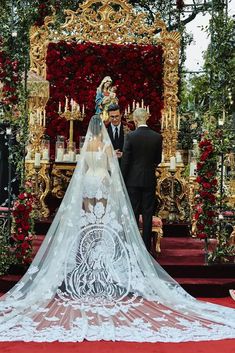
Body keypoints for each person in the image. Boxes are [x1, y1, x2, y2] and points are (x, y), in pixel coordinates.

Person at [0, 115, 235, 342]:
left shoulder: (88, 146)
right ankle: (104, 252)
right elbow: (114, 169)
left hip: (89, 180)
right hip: (103, 180)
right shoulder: (106, 145)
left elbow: (82, 170)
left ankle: (83, 255)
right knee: (102, 222)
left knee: (87, 219)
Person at [121, 107, 162, 253]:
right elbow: (158, 159)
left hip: (132, 180)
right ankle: (146, 247)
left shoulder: (130, 137)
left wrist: (122, 180)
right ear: (147, 118)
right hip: (149, 180)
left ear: (135, 120)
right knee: (148, 213)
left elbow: (125, 161)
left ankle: (131, 245)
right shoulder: (157, 137)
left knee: (132, 213)